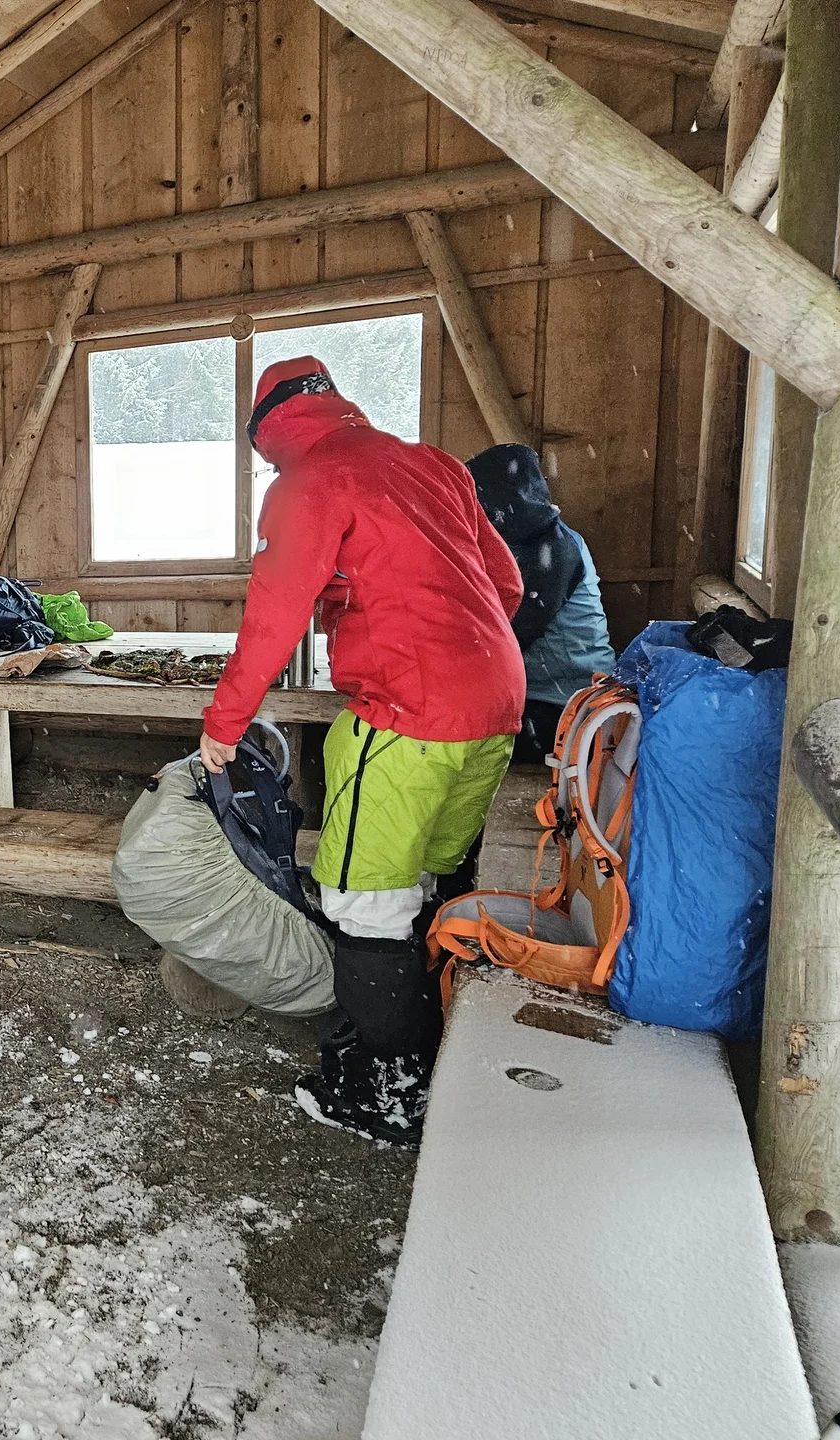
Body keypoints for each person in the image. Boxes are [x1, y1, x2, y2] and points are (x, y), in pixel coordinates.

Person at [197, 358, 525, 1145]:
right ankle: (428, 1048)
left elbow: (271, 621)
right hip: (495, 702)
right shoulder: (432, 465)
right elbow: (506, 585)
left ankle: (393, 1091)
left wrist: (224, 725)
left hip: (406, 713)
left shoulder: (308, 480)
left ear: (270, 433)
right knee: (417, 881)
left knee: (361, 900)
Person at [466, 443, 615, 764]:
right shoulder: (518, 542)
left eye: (481, 500)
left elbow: (507, 638)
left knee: (446, 737)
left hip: (571, 708)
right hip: (539, 697)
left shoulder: (553, 550)